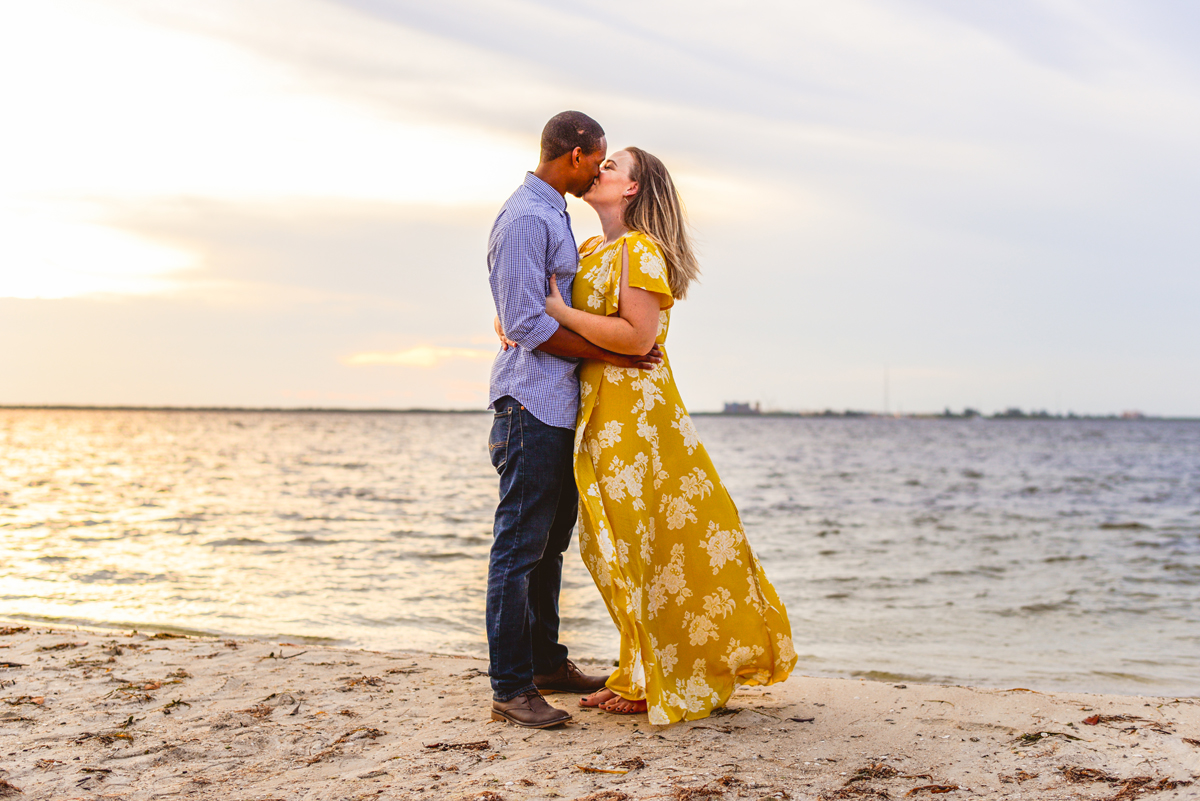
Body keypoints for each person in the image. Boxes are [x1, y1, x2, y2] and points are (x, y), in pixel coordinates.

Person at [542, 147, 797, 724]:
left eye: (613, 167)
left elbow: (637, 338)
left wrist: (560, 310)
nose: (599, 170)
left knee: (640, 544)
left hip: (637, 416)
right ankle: (637, 667)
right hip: (599, 411)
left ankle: (660, 674)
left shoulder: (640, 250)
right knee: (609, 547)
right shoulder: (590, 249)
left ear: (632, 189)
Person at [486, 112, 663, 729]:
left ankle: (544, 664)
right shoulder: (526, 217)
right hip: (530, 406)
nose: (599, 171)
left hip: (562, 408)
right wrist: (618, 353)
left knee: (550, 546)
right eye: (600, 159)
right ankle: (510, 688)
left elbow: (542, 307)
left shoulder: (555, 212)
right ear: (580, 154)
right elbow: (528, 324)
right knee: (519, 547)